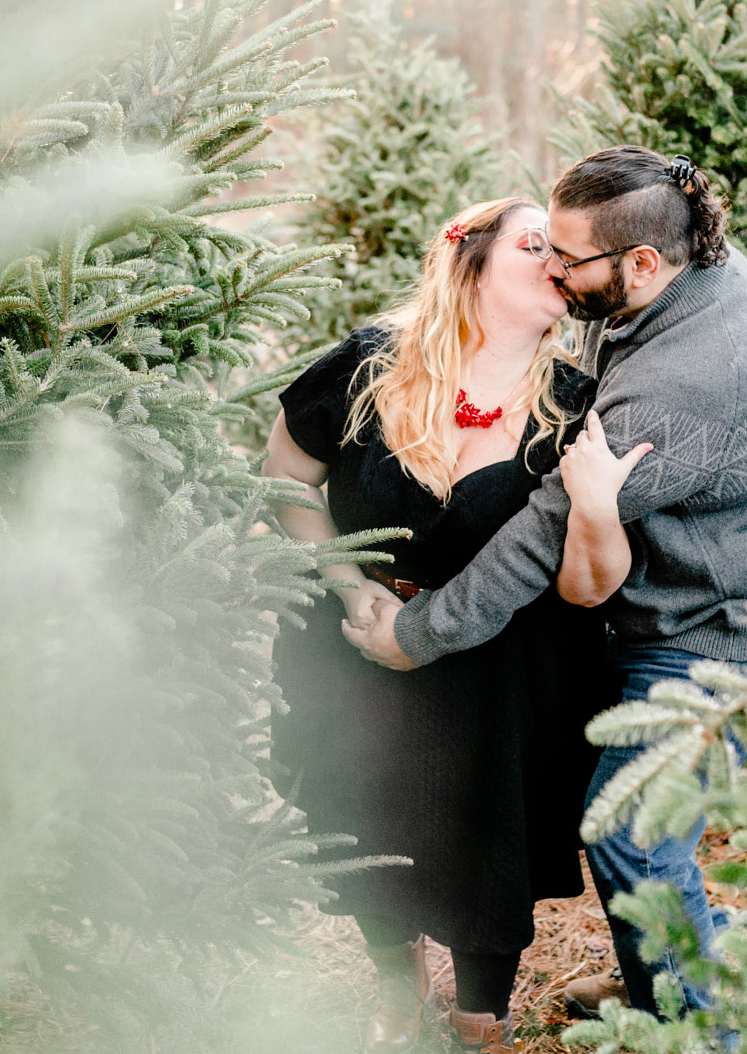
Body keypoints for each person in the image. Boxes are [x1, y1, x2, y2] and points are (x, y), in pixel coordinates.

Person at [344, 147, 747, 1031]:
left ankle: (693, 1025)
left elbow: (544, 532)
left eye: (569, 259)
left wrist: (417, 634)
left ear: (642, 263)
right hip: (663, 604)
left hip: (723, 635)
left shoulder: (686, 379)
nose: (554, 270)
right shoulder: (672, 260)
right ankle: (667, 971)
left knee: (629, 829)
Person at [264, 197, 650, 1054]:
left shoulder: (572, 406)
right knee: (367, 821)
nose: (557, 260)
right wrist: (345, 584)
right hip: (362, 643)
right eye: (532, 243)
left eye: (565, 252)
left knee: (491, 840)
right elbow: (285, 470)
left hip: (508, 667)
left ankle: (483, 1015)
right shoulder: (371, 366)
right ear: (468, 259)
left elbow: (592, 588)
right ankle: (399, 991)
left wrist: (596, 510)